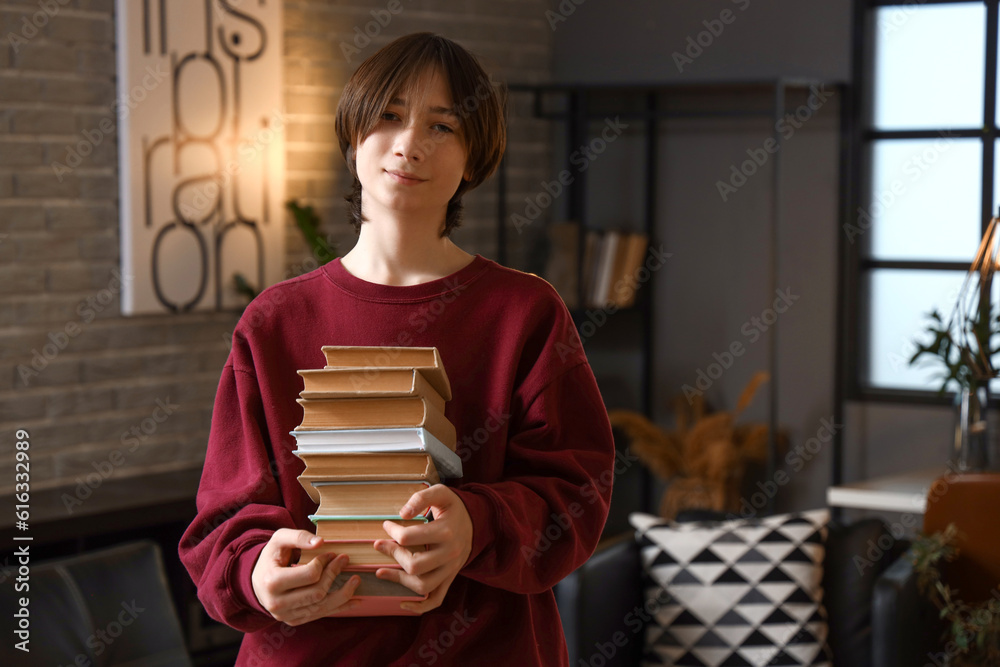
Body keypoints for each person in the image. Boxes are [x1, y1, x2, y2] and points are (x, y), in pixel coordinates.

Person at [179, 32, 616, 666]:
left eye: (442, 126)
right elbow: (224, 519)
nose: (409, 144)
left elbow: (579, 493)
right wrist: (255, 573)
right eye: (389, 116)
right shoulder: (275, 321)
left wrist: (475, 524)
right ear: (353, 135)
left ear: (474, 158)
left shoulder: (524, 313)